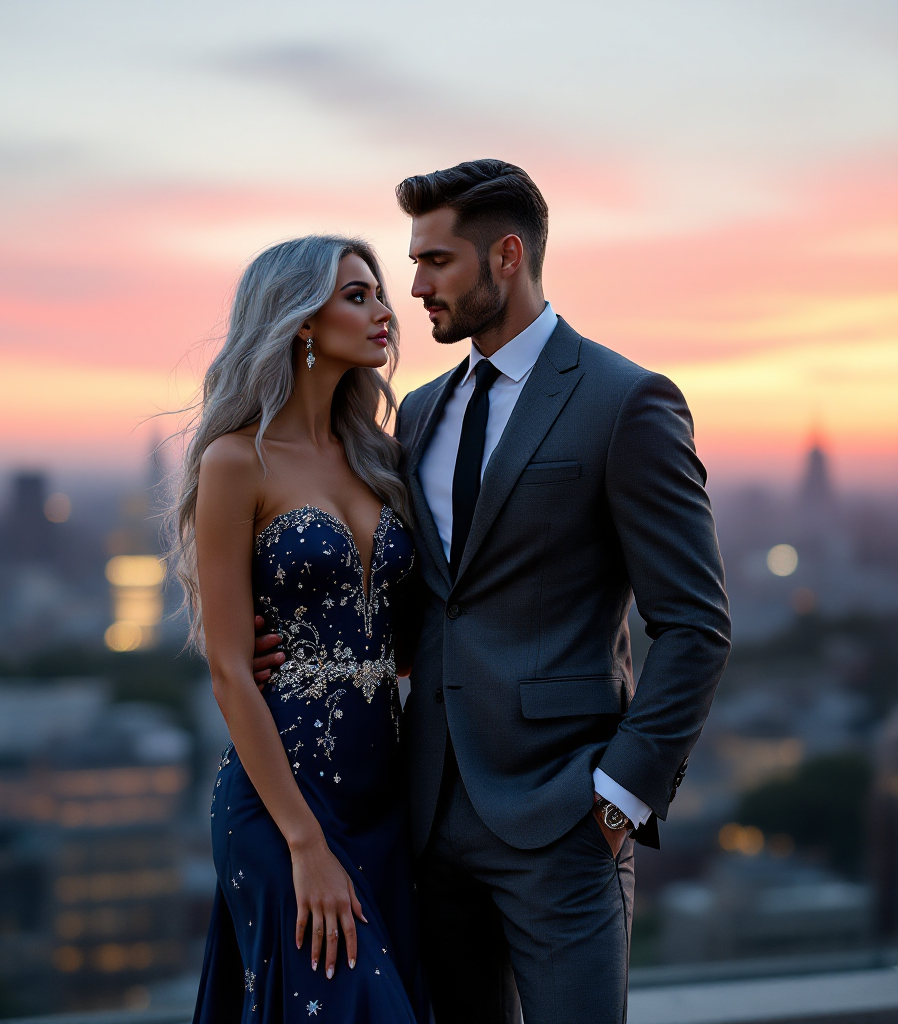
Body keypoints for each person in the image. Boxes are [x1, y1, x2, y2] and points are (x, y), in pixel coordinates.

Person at [255, 161, 731, 1024]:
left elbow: (696, 625)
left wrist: (621, 797)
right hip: (425, 818)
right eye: (413, 262)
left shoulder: (625, 402)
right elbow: (422, 598)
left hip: (564, 821)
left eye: (436, 261)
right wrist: (287, 633)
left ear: (506, 256)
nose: (414, 287)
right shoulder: (423, 410)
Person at [178, 236, 428, 1023]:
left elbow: (421, 629)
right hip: (280, 804)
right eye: (357, 295)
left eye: (379, 292)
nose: (386, 310)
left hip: (385, 802)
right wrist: (304, 844)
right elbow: (227, 671)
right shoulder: (235, 462)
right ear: (299, 321)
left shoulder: (386, 458)